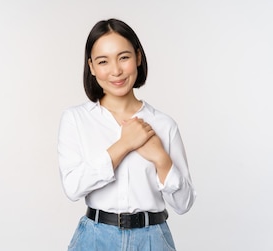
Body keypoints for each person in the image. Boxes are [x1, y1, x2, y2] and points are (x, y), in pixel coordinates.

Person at [57, 18, 196, 251]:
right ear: (91, 66)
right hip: (95, 238)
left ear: (138, 58)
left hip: (153, 238)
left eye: (124, 57)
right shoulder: (76, 119)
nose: (116, 70)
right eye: (103, 61)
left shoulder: (163, 124)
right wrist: (124, 145)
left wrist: (161, 159)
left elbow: (184, 204)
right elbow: (73, 187)